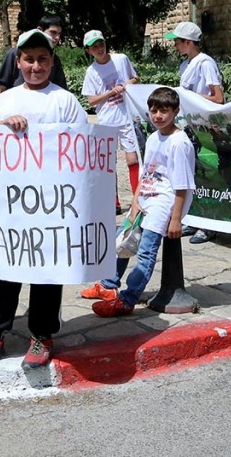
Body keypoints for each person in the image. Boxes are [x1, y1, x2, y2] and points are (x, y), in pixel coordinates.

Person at [0, 29, 87, 371]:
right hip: (11, 206)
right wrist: (4, 124)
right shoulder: (6, 100)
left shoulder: (64, 101)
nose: (36, 66)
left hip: (50, 206)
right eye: (29, 59)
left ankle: (42, 334)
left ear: (52, 61)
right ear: (18, 62)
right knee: (4, 269)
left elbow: (80, 150)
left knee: (47, 270)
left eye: (43, 59)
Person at [92, 87, 196, 318]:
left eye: (164, 111)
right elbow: (145, 173)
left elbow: (181, 185)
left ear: (176, 111)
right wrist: (135, 201)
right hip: (145, 199)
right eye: (154, 110)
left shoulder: (179, 142)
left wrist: (176, 219)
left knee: (146, 251)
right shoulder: (152, 137)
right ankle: (108, 285)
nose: (158, 115)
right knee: (121, 242)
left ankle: (128, 299)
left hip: (163, 204)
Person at [78, 29, 143, 301]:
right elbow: (90, 100)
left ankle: (139, 199)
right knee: (109, 161)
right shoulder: (92, 71)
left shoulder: (121, 58)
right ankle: (113, 200)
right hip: (107, 117)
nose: (99, 49)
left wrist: (126, 86)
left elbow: (135, 78)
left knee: (131, 157)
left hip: (126, 115)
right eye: (94, 47)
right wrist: (109, 93)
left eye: (101, 43)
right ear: (89, 51)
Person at [166, 20, 223, 245]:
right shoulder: (186, 65)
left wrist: (190, 98)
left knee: (206, 175)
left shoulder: (205, 63)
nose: (175, 46)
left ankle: (209, 224)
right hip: (190, 127)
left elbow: (217, 97)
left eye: (178, 42)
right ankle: (195, 217)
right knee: (192, 174)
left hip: (205, 127)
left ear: (188, 42)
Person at [0, 15, 68, 99]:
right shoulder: (13, 54)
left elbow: (61, 89)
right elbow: (0, 86)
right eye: (53, 32)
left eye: (59, 34)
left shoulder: (55, 59)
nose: (57, 37)